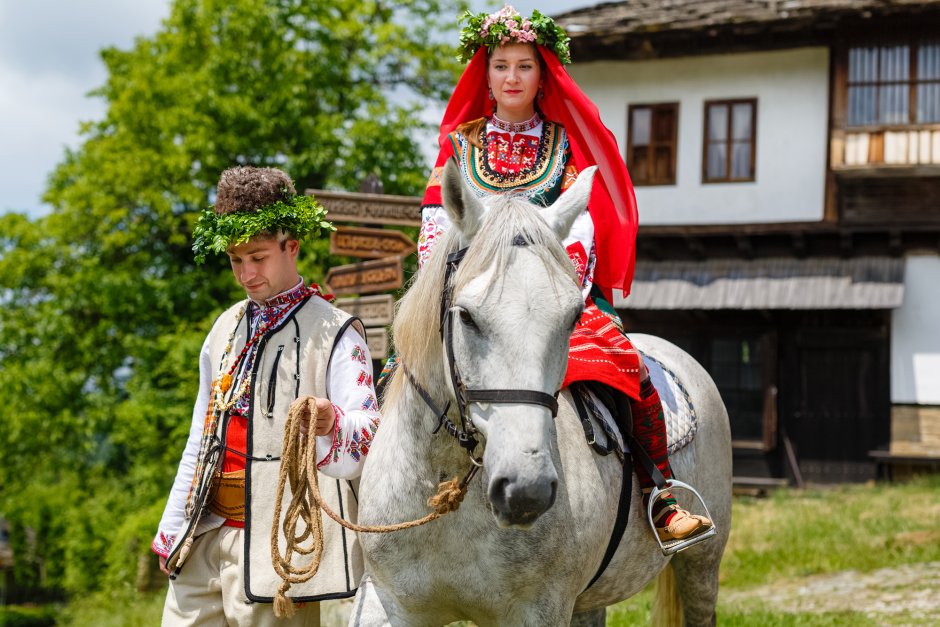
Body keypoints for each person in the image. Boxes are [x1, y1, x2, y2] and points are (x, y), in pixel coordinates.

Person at [417, 5, 712, 544]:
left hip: (550, 300)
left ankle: (661, 494)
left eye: (524, 66)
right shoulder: (460, 146)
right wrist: (459, 288)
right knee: (400, 374)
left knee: (629, 369)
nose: (512, 77)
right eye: (501, 65)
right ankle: (376, 491)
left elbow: (581, 230)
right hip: (474, 300)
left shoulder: (562, 145)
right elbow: (436, 226)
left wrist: (557, 292)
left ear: (542, 74)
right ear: (485, 73)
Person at [152, 166, 381, 626]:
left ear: (290, 246)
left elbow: (369, 436)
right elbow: (200, 434)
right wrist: (173, 526)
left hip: (281, 551)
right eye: (236, 260)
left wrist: (330, 420)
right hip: (204, 535)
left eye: (258, 257)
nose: (246, 273)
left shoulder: (338, 333)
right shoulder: (224, 327)